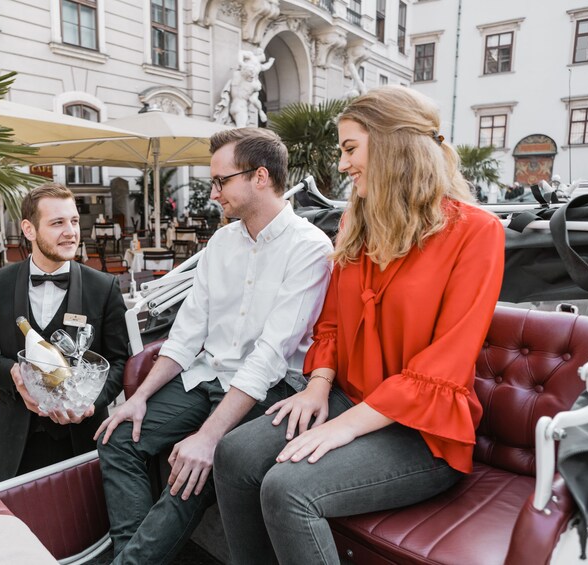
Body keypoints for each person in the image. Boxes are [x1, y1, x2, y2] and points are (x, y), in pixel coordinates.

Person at [213, 86, 506, 564]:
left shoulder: (477, 232)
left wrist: (344, 426)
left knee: (288, 489)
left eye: (351, 149)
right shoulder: (355, 221)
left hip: (423, 433)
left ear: (394, 145)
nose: (343, 164)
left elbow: (443, 368)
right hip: (348, 395)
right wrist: (317, 386)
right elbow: (330, 321)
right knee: (234, 455)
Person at [95, 128, 333, 564]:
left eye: (221, 181)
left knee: (191, 471)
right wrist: (139, 397)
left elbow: (269, 358)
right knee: (118, 437)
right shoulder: (221, 242)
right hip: (206, 376)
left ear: (260, 177)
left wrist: (207, 437)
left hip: (270, 392)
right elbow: (186, 336)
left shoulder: (310, 247)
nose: (213, 193)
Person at [0, 183, 128, 483]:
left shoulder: (103, 287)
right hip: (17, 443)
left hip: (83, 440)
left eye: (74, 221)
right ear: (29, 229)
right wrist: (14, 373)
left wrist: (91, 403)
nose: (71, 232)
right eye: (57, 223)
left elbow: (120, 361)